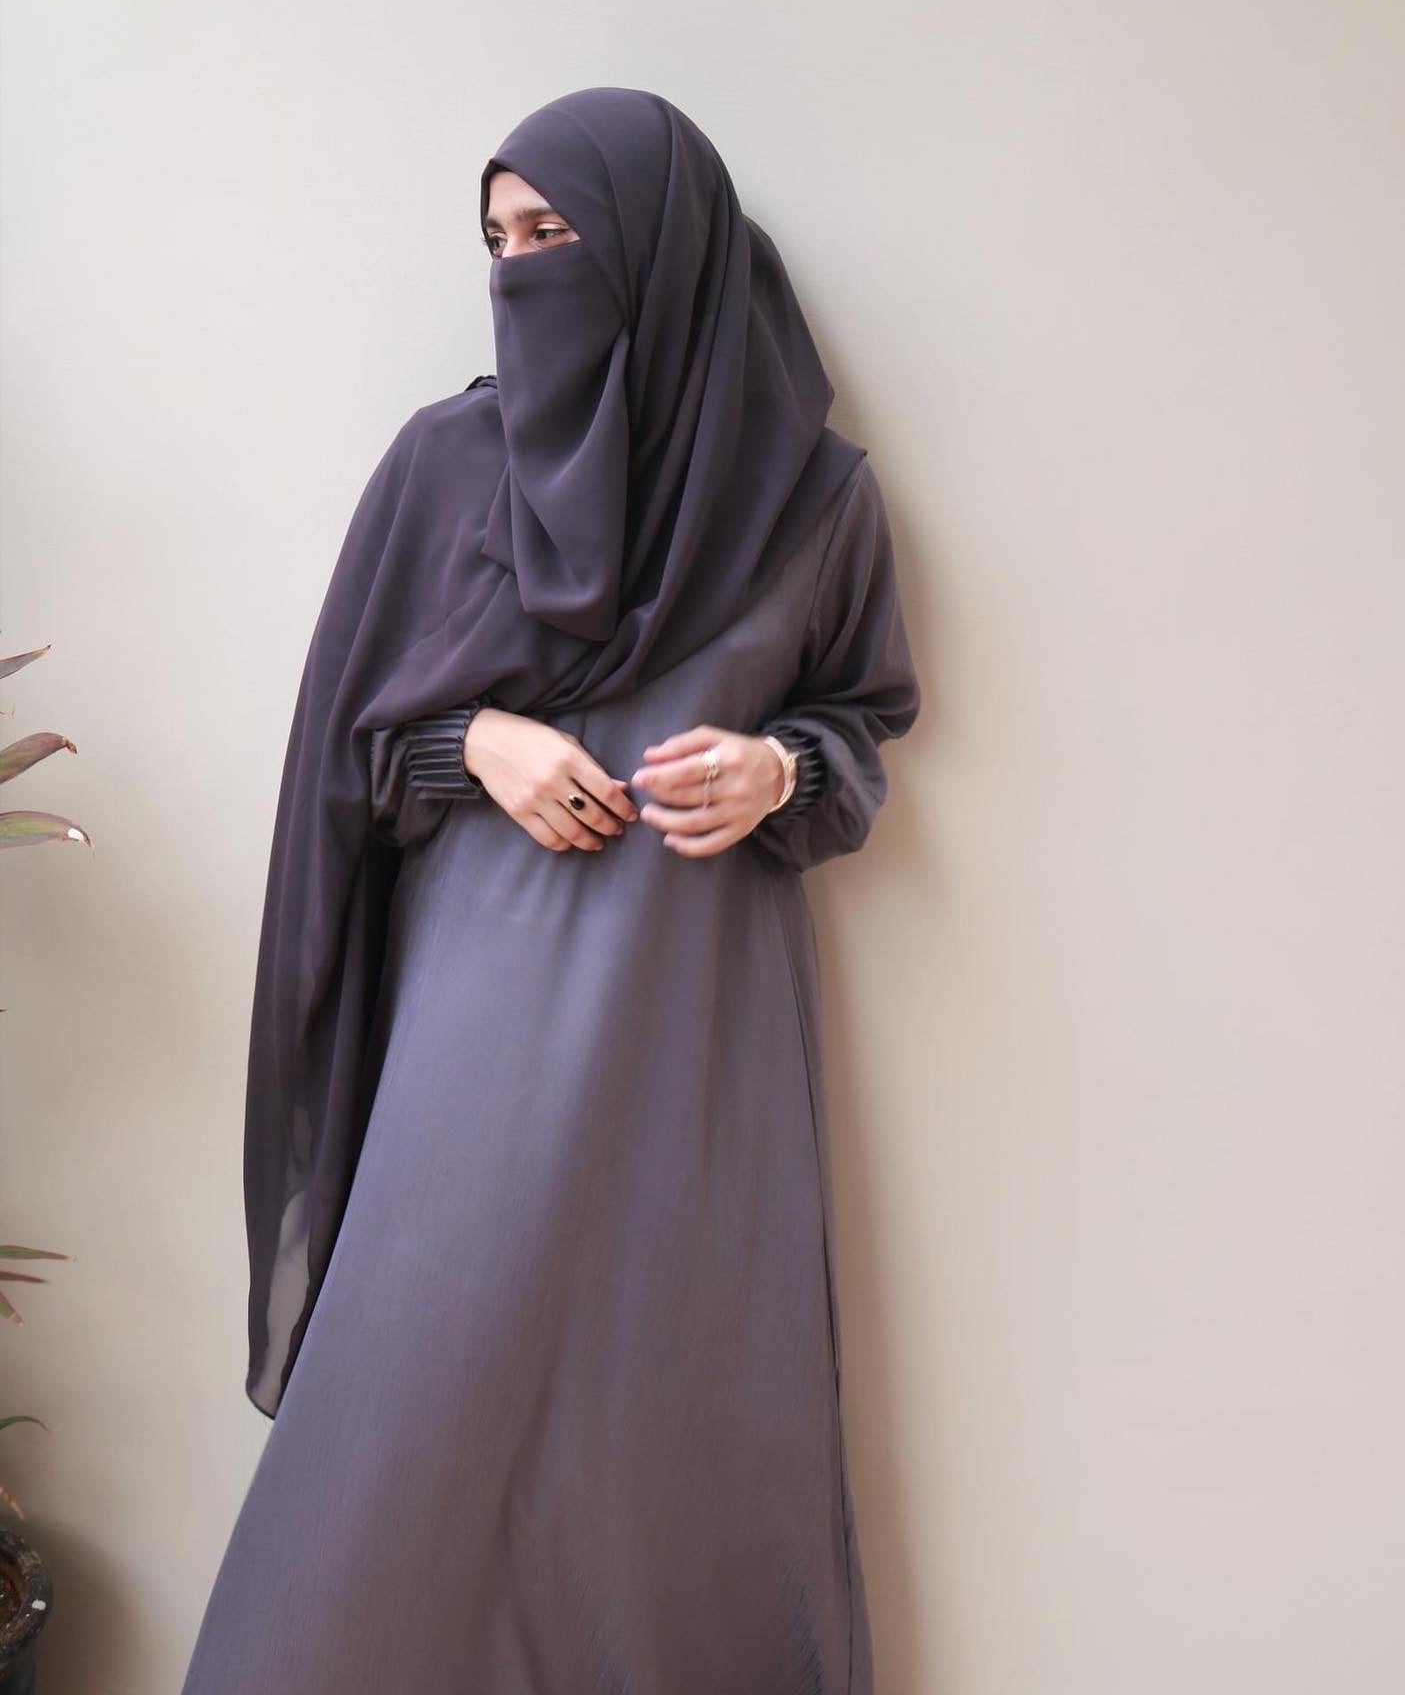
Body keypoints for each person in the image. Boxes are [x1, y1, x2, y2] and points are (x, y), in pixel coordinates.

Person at [180, 85, 921, 1693]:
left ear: (662, 249)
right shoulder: (447, 464)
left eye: (556, 234)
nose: (521, 273)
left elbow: (864, 719)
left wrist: (780, 770)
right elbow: (347, 751)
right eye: (500, 241)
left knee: (674, 1442)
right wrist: (476, 743)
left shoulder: (813, 499)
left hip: (698, 1032)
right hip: (478, 1015)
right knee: (408, 1417)